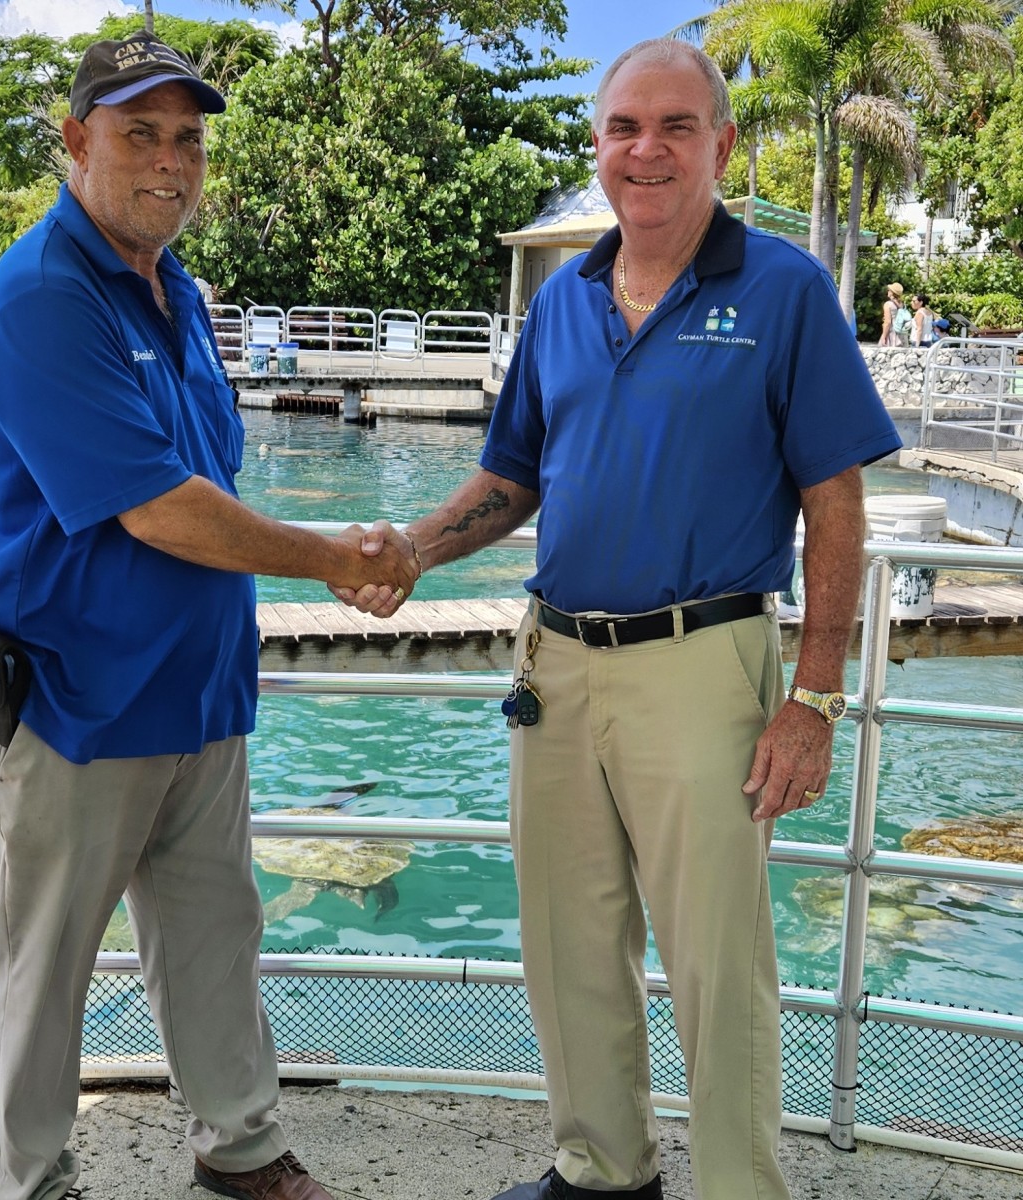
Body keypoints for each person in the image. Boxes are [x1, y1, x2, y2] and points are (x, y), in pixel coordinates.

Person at [336, 38, 902, 1200]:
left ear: (722, 146)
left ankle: (742, 1188)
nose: (645, 150)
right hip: (555, 664)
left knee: (716, 964)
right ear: (598, 147)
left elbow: (835, 506)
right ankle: (602, 1173)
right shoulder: (562, 301)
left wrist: (814, 699)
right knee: (569, 943)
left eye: (675, 127)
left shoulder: (783, 289)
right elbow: (514, 478)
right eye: (622, 128)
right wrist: (413, 551)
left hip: (706, 661)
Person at [0, 31, 416, 1200]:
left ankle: (240, 1146)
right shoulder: (42, 297)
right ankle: (29, 1180)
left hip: (197, 690)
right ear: (75, 142)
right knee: (43, 964)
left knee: (215, 936)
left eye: (188, 139)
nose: (170, 161)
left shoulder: (178, 292)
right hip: (70, 700)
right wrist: (328, 559)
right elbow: (156, 509)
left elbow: (206, 476)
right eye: (139, 133)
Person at [879, 281, 908, 346]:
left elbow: (888, 322)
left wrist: (884, 336)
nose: (888, 291)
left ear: (892, 293)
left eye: (889, 290)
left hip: (892, 334)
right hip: (901, 333)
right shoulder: (902, 305)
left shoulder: (888, 304)